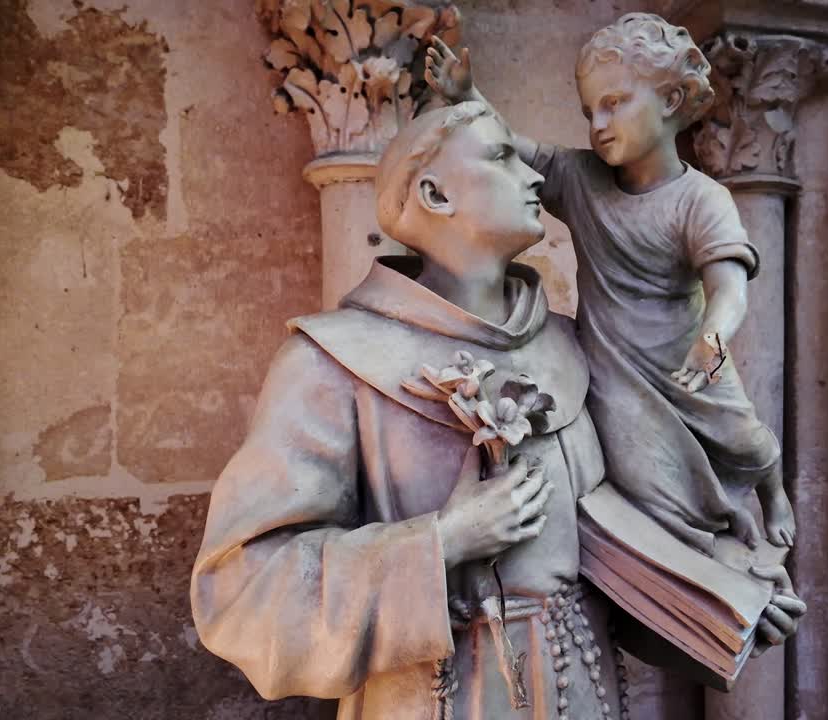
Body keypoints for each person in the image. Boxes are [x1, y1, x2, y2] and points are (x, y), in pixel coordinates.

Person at [191, 102, 624, 719]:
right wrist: (440, 542)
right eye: (503, 156)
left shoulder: (568, 346)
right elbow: (243, 589)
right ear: (434, 193)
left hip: (580, 693)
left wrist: (714, 591)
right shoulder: (331, 361)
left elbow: (620, 519)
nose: (534, 177)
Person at [426, 14, 796, 555]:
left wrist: (713, 337)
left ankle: (773, 492)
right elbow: (508, 148)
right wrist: (468, 93)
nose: (597, 123)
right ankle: (691, 555)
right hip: (613, 370)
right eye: (588, 110)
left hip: (685, 358)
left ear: (671, 101)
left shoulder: (701, 200)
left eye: (615, 103)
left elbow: (730, 287)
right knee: (644, 478)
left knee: (745, 440)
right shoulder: (579, 179)